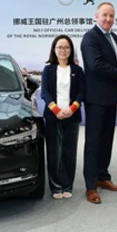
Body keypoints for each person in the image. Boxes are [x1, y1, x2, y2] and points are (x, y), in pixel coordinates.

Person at [80, 2, 117, 204]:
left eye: (111, 16)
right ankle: (91, 186)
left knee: (107, 140)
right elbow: (96, 65)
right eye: (105, 15)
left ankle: (102, 177)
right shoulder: (90, 38)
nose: (108, 19)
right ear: (96, 16)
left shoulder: (113, 37)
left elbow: (113, 63)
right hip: (96, 99)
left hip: (110, 98)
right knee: (93, 142)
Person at [40, 35, 86, 200]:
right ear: (54, 49)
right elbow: (44, 92)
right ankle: (55, 186)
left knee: (69, 153)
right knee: (54, 153)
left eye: (66, 47)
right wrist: (56, 109)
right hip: (53, 117)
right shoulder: (48, 70)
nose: (63, 50)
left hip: (72, 117)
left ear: (71, 50)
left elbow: (82, 92)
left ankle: (67, 185)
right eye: (60, 47)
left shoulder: (77, 70)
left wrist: (73, 108)